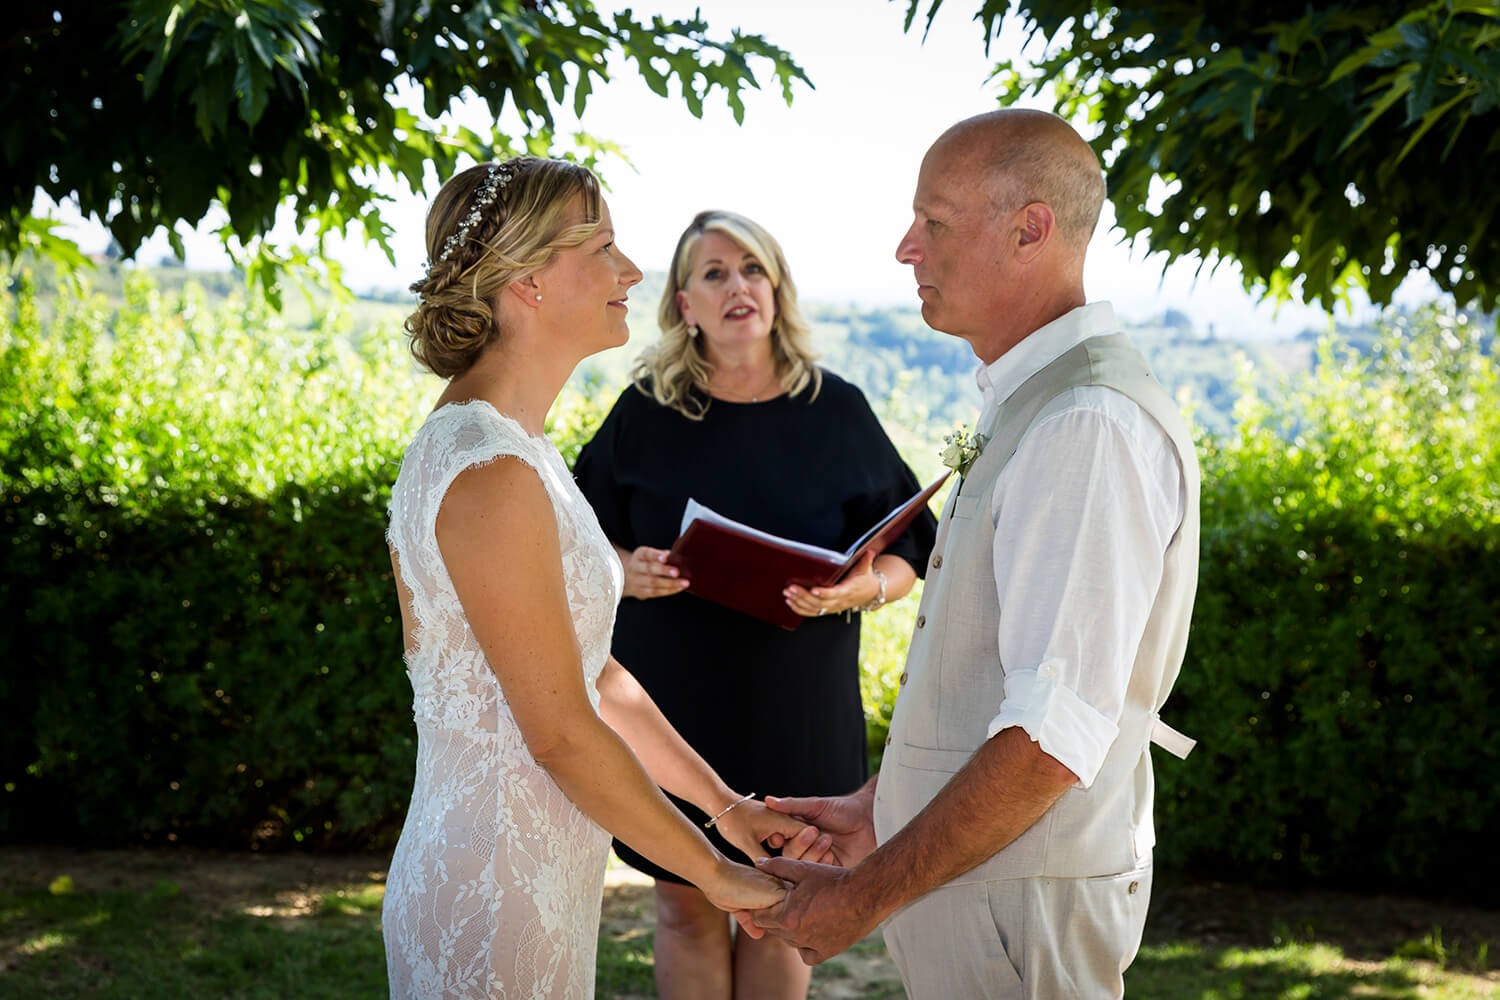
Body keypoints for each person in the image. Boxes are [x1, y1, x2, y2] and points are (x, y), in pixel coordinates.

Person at [752, 110, 1202, 999]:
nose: (904, 249)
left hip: (1017, 904)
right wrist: (886, 804)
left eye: (935, 222)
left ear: (1030, 229)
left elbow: (1050, 736)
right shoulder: (1042, 401)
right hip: (995, 889)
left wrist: (863, 898)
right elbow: (1006, 681)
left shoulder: (1086, 423)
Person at [380, 158, 808, 1000]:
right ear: (530, 279)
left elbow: (597, 674)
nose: (633, 272)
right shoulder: (487, 469)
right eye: (605, 246)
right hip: (490, 888)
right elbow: (561, 732)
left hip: (540, 873)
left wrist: (726, 807)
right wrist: (717, 877)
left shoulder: (524, 449)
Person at [571, 209, 938, 999]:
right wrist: (621, 571)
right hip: (671, 706)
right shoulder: (645, 411)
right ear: (683, 304)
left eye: (753, 269)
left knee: (785, 910)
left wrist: (858, 589)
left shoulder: (837, 411)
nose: (738, 286)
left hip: (799, 709)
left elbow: (916, 552)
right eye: (714, 273)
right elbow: (568, 535)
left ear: (777, 289)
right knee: (684, 907)